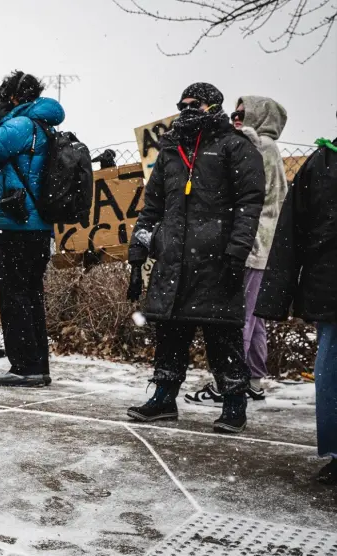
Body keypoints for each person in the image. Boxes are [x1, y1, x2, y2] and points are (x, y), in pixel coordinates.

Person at [126, 83, 265, 433]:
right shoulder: (170, 149)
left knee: (222, 335)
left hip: (217, 260)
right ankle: (163, 398)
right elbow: (152, 207)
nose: (187, 109)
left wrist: (236, 252)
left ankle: (234, 403)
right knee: (170, 333)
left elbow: (249, 204)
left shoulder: (235, 146)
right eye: (182, 104)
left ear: (213, 106)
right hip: (173, 259)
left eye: (195, 104)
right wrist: (137, 253)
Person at [185, 96, 287, 406]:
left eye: (243, 113)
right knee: (253, 317)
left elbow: (253, 196)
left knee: (237, 317)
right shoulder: (267, 147)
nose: (236, 117)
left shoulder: (259, 146)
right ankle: (253, 379)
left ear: (260, 116)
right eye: (235, 112)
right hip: (261, 242)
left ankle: (229, 383)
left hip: (251, 242)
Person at [0, 71, 64, 388]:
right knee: (30, 294)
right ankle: (37, 364)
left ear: (12, 97)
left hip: (14, 225)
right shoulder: (43, 125)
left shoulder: (21, 125)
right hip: (36, 227)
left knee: (14, 297)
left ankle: (25, 365)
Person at [256, 123, 337, 484]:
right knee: (332, 369)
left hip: (328, 283)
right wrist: (276, 295)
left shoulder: (322, 162)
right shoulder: (322, 163)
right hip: (330, 286)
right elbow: (292, 231)